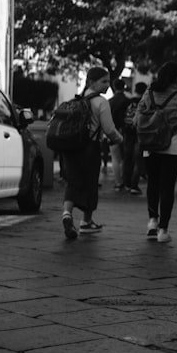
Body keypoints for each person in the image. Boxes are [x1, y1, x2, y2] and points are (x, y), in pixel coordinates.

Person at [61, 66, 123, 240]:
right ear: (91, 82)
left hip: (71, 148)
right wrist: (120, 139)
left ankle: (67, 214)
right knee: (90, 184)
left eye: (108, 81)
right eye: (103, 81)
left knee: (72, 182)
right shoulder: (101, 102)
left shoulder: (76, 100)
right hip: (90, 149)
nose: (107, 85)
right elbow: (110, 130)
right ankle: (86, 221)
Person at [138, 62, 177, 243]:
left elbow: (137, 117)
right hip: (175, 145)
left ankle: (152, 222)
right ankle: (163, 230)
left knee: (152, 183)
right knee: (167, 187)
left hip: (150, 144)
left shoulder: (149, 93)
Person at [122, 82, 146, 195]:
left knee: (127, 159)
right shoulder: (145, 102)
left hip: (127, 133)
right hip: (140, 133)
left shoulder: (128, 102)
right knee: (138, 160)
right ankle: (134, 184)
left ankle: (126, 183)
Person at [107, 79, 130, 192]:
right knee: (126, 158)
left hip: (113, 131)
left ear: (114, 87)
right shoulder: (128, 101)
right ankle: (127, 182)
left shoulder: (109, 101)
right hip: (127, 132)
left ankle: (118, 182)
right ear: (124, 87)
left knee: (115, 158)